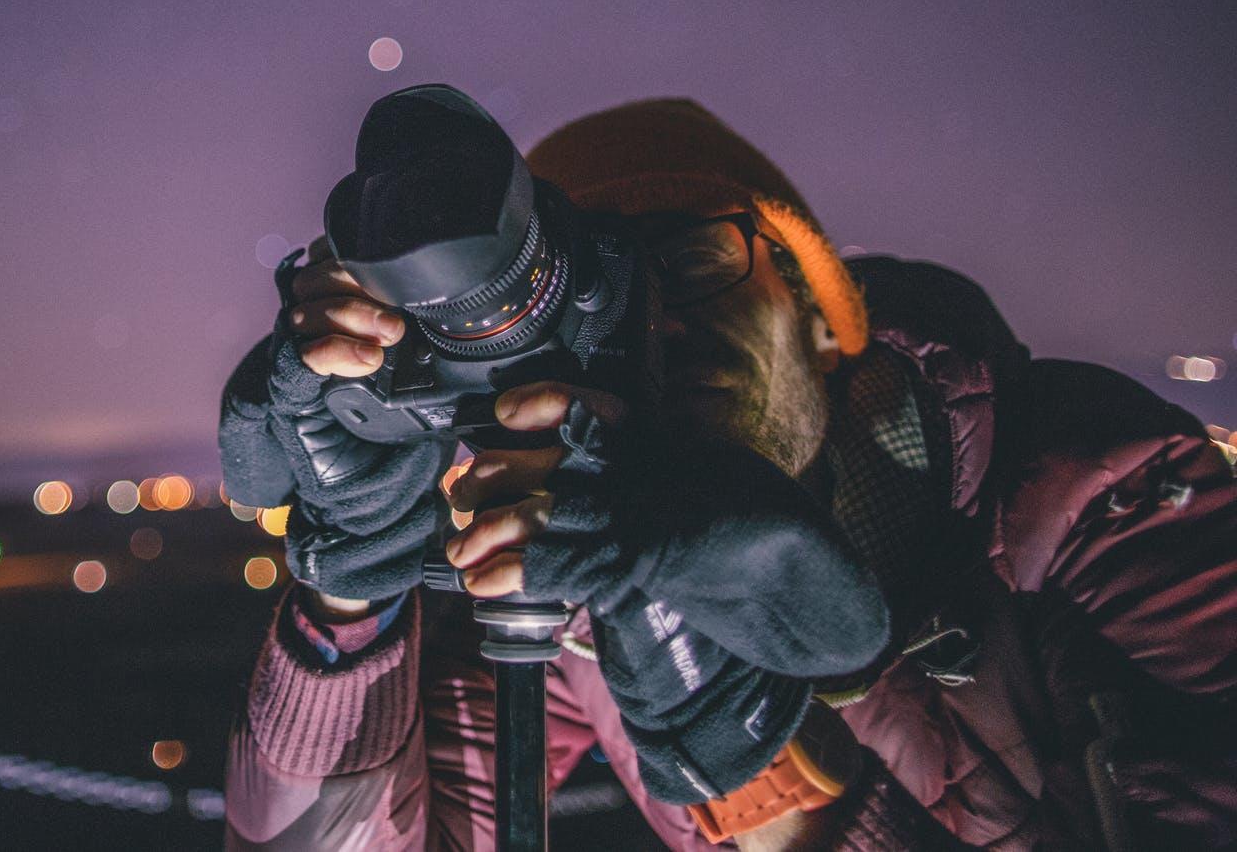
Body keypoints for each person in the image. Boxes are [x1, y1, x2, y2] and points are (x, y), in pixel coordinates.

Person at [217, 98, 1236, 850]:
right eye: (606, 314)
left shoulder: (1083, 484)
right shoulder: (586, 595)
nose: (658, 326)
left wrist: (768, 795)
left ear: (814, 301)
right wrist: (347, 578)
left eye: (697, 262)